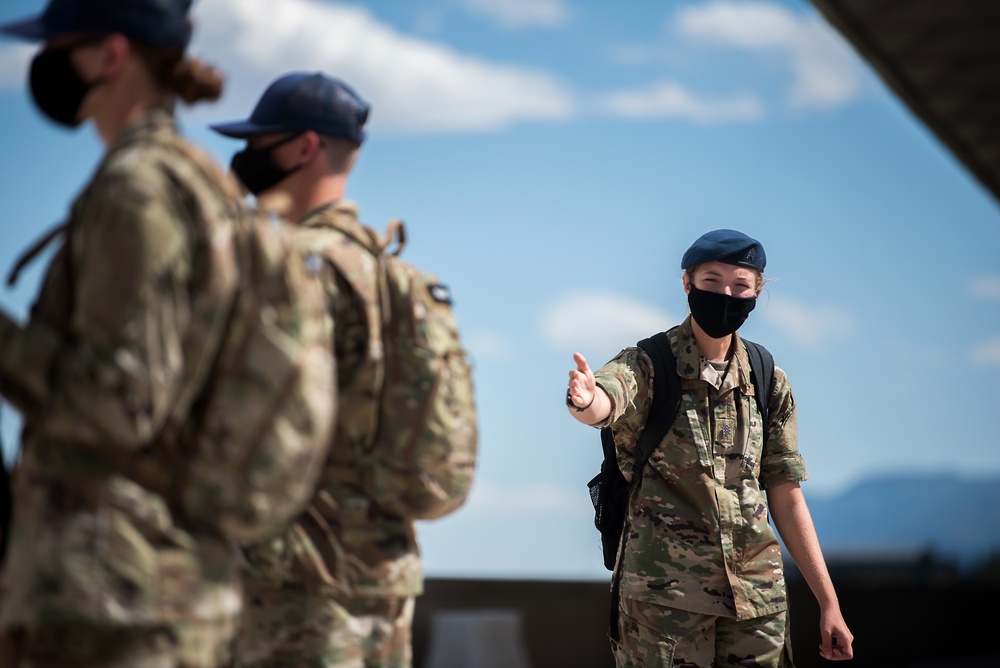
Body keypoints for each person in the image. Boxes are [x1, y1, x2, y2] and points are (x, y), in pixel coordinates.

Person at [0, 0, 248, 664]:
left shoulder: (136, 189)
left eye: (60, 45)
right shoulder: (196, 183)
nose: (45, 64)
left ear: (111, 55)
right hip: (149, 587)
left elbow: (120, 399)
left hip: (114, 597)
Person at [209, 71, 432, 668]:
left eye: (259, 141)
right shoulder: (394, 275)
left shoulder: (287, 267)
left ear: (304, 147)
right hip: (385, 576)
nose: (245, 156)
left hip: (297, 580)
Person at [566, 229, 854, 667]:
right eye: (711, 280)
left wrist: (829, 603)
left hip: (757, 605)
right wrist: (586, 399)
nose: (726, 294)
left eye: (740, 285)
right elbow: (608, 397)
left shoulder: (766, 377)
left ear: (757, 292)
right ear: (687, 284)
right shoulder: (650, 362)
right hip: (666, 606)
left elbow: (785, 492)